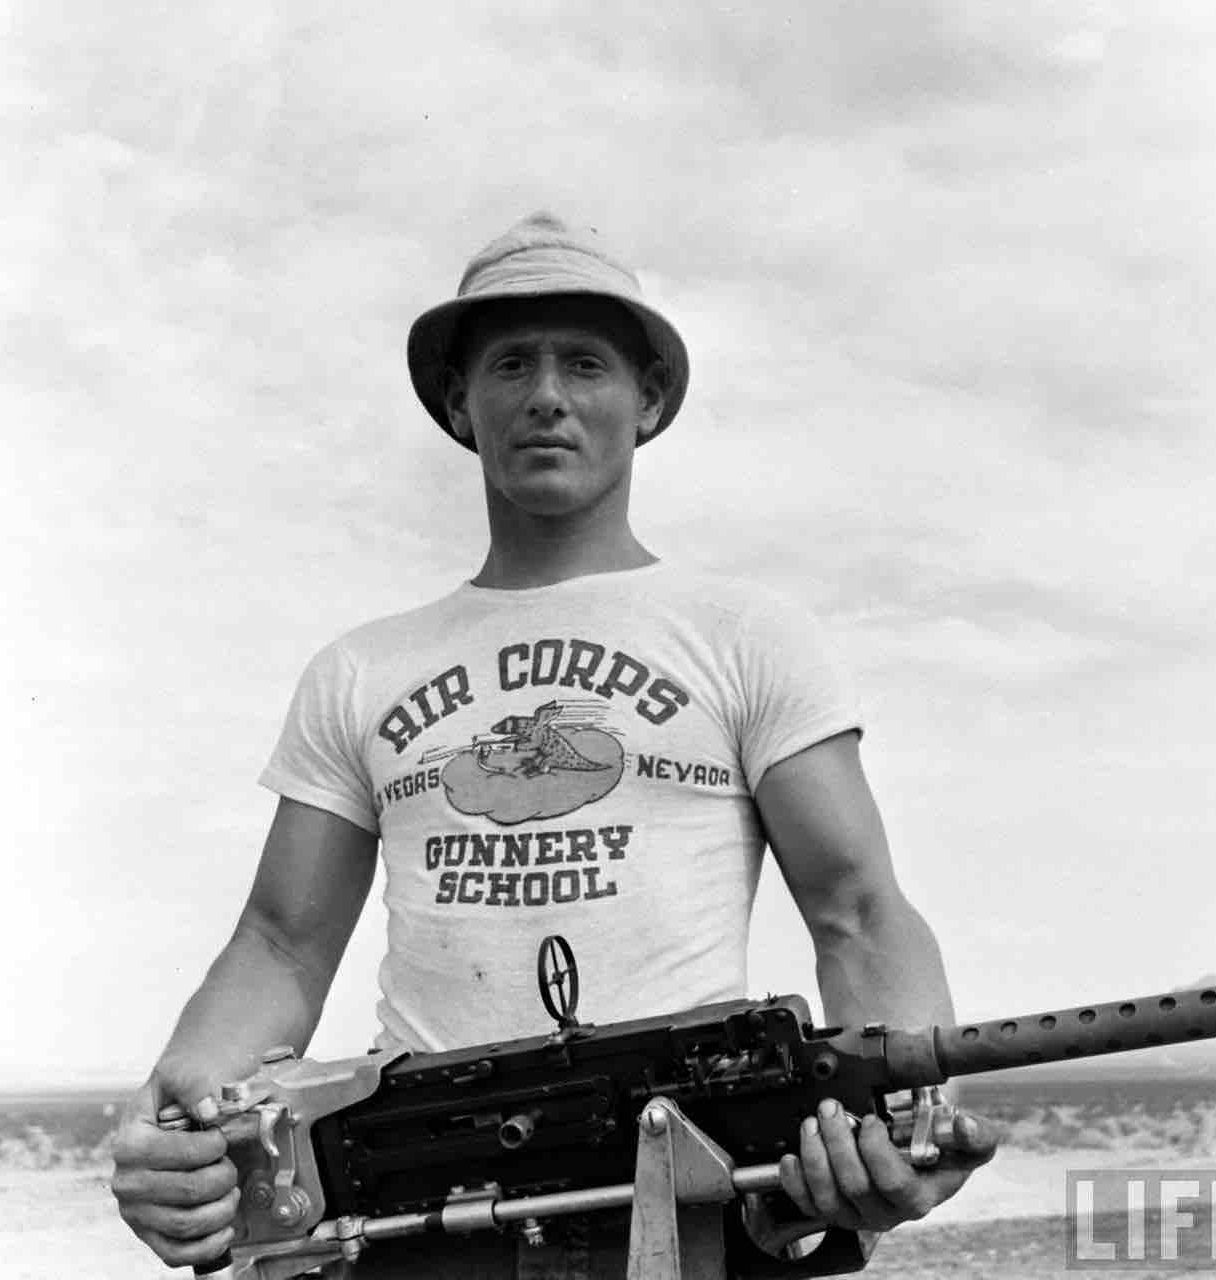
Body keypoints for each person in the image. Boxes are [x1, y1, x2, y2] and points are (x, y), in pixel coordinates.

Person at [111, 212, 996, 1277]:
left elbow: (856, 906)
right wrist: (178, 1126)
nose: (546, 394)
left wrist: (898, 1115)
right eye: (510, 363)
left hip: (690, 1188)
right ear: (458, 401)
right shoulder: (360, 668)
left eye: (584, 363)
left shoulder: (743, 632)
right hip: (419, 1210)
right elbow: (279, 945)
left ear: (647, 399)